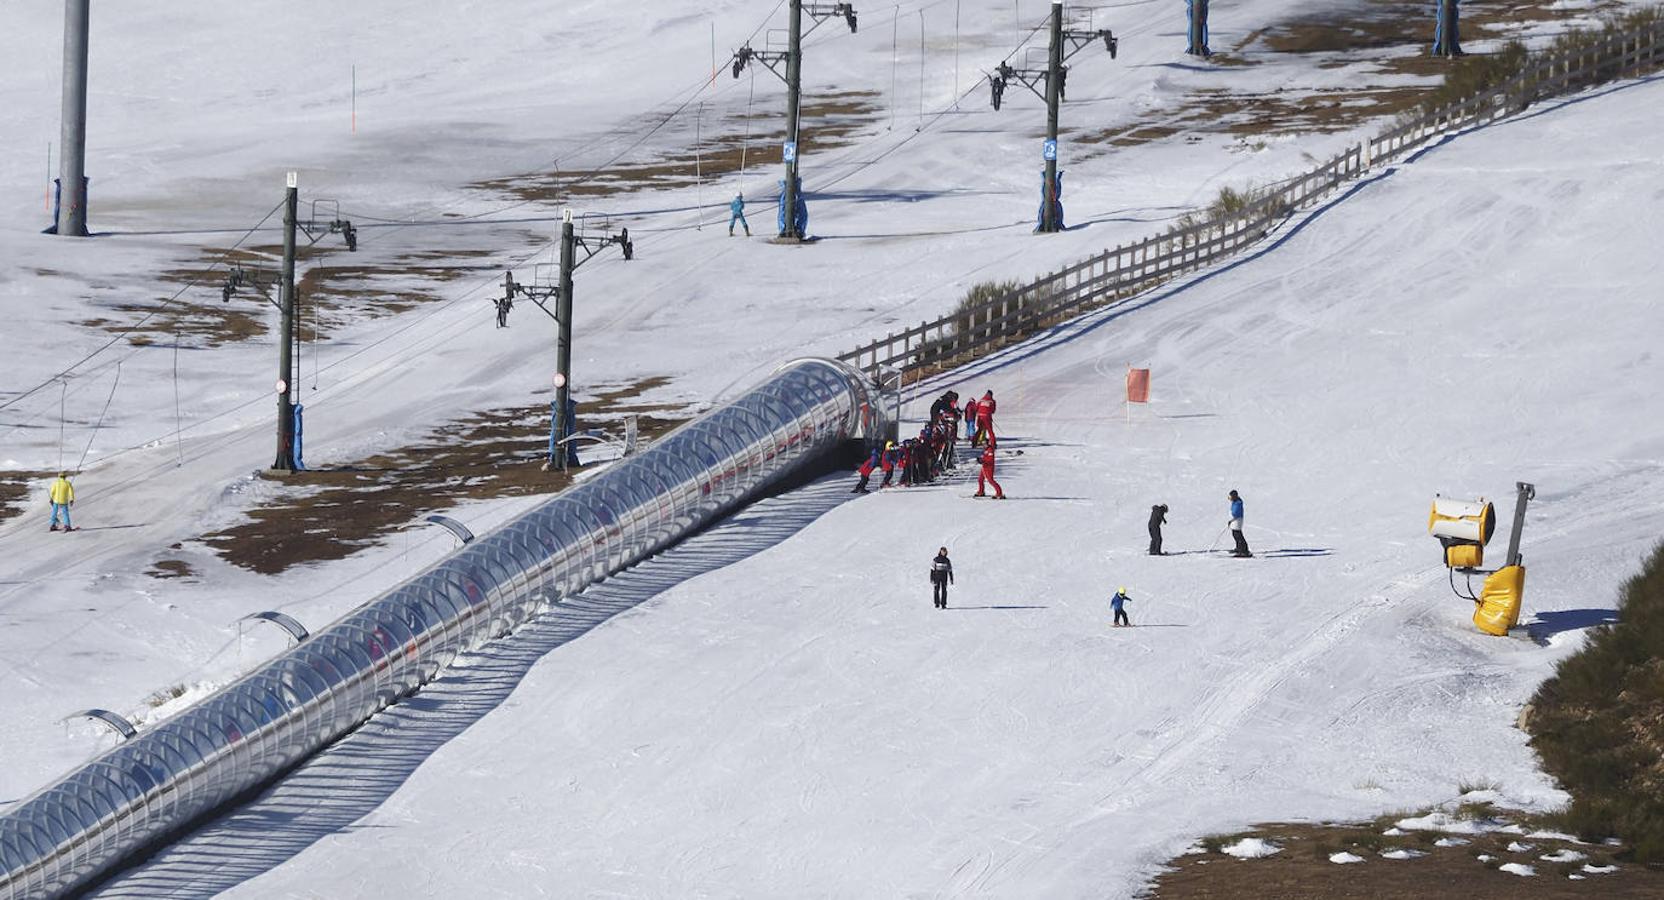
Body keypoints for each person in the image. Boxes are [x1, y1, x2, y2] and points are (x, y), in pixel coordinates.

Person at [1228, 489, 1252, 558]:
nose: (1229, 498)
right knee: (1235, 534)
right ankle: (1238, 548)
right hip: (1234, 521)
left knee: (1238, 535)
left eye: (1230, 497)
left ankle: (1244, 551)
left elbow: (1235, 513)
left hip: (1237, 521)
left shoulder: (1238, 503)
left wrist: (1231, 518)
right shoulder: (1235, 502)